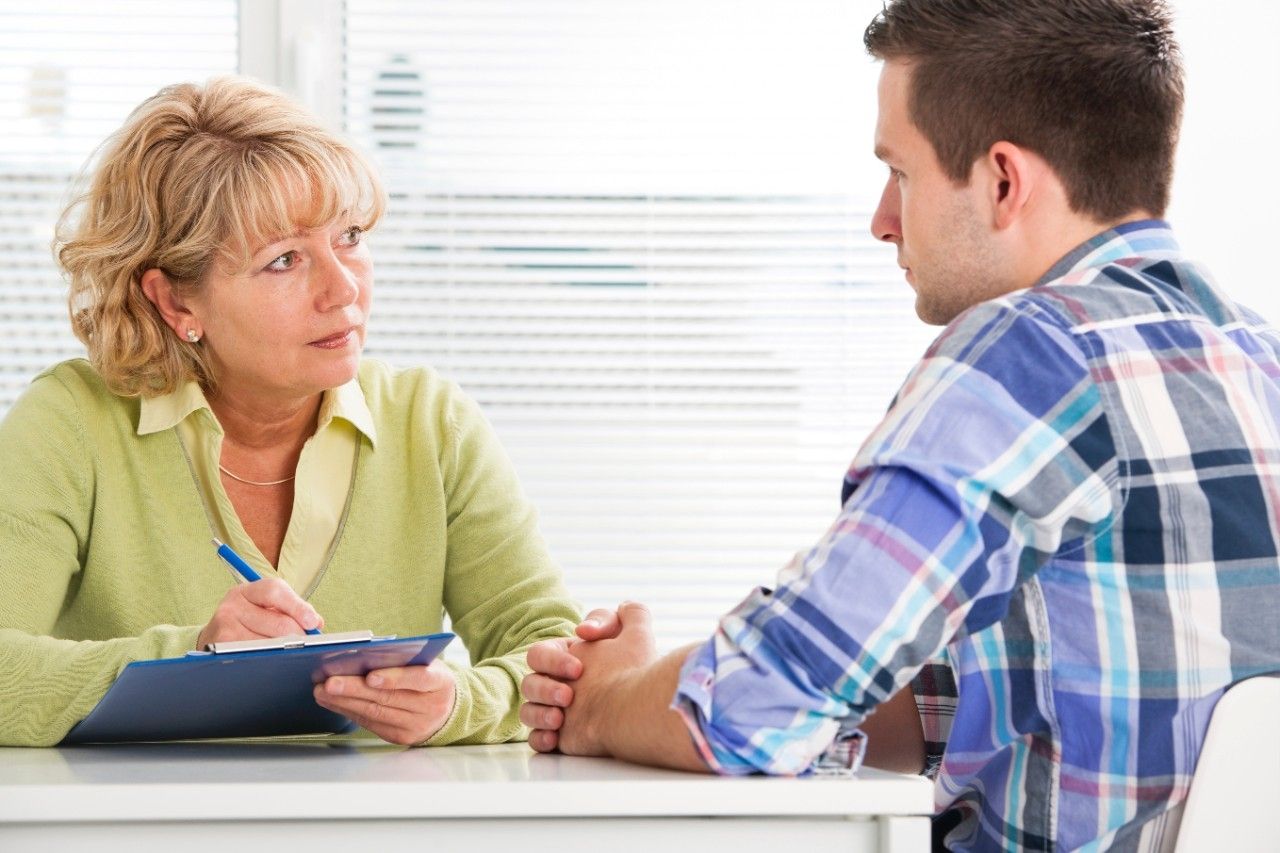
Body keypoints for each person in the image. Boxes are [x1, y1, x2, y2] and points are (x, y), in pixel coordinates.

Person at [519, 1, 1280, 850]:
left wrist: (605, 703)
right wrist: (667, 685)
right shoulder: (1253, 354)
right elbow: (1080, 691)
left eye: (901, 172)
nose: (883, 218)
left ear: (1002, 180)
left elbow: (746, 710)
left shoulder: (1029, 355)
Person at [0, 76, 579, 748]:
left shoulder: (433, 424)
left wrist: (458, 703)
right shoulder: (72, 423)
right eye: (284, 260)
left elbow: (554, 657)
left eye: (352, 235)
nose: (343, 289)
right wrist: (193, 656)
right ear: (176, 303)